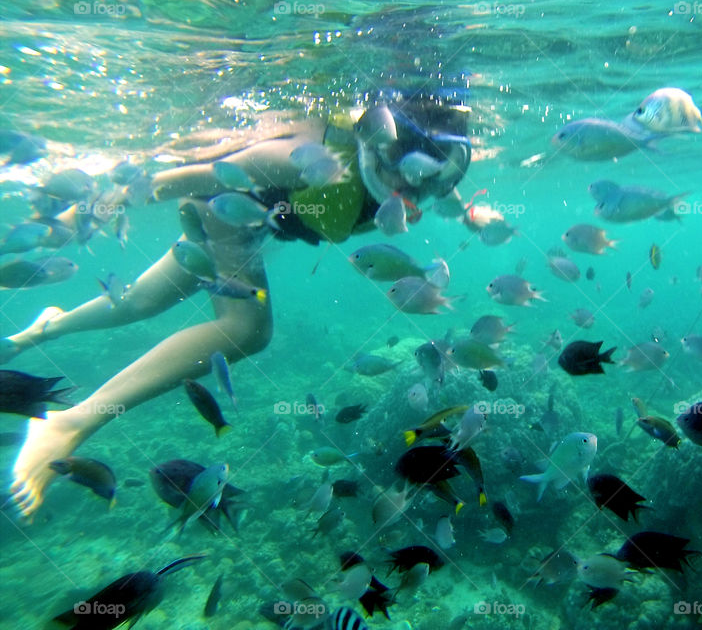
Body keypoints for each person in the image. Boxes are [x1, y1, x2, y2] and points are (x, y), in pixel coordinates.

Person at [5, 91, 472, 518]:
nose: (418, 194)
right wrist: (90, 208)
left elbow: (437, 186)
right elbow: (194, 177)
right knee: (246, 328)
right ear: (381, 144)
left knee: (138, 302)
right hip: (221, 207)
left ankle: (43, 329)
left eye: (439, 179)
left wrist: (475, 212)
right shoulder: (312, 157)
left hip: (254, 226)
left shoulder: (406, 176)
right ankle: (69, 424)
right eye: (414, 175)